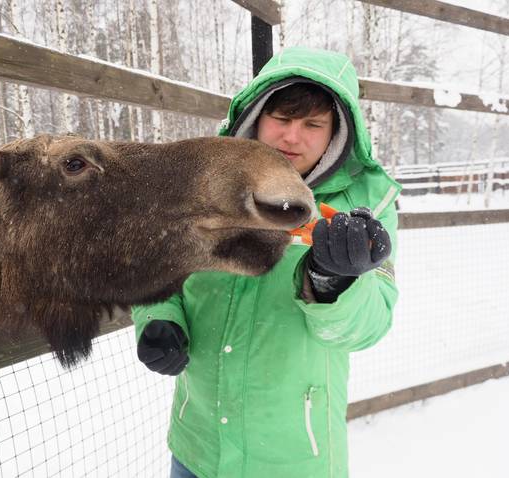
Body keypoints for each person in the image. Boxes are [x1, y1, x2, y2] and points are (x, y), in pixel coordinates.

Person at [132, 46, 401, 478]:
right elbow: (159, 267)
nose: (292, 137)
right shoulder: (202, 184)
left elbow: (368, 327)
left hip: (293, 455)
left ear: (338, 131)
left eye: (313, 124)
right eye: (281, 119)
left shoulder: (366, 208)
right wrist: (159, 318)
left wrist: (332, 281)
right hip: (197, 441)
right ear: (257, 116)